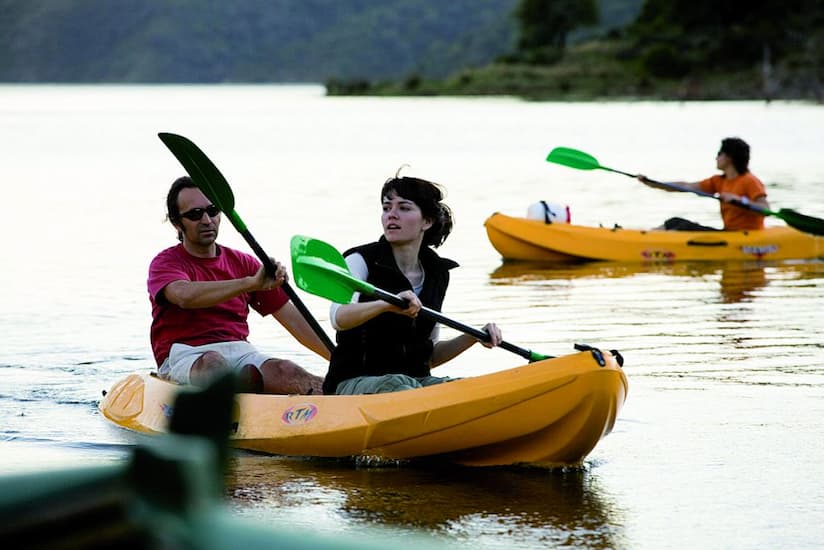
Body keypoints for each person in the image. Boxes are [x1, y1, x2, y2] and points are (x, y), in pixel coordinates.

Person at [323, 173, 503, 395]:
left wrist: (473, 336)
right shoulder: (360, 260)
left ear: (427, 221)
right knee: (398, 385)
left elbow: (431, 356)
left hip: (415, 383)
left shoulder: (437, 273)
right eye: (386, 208)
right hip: (352, 383)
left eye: (404, 208)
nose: (392, 214)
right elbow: (338, 318)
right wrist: (385, 305)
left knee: (468, 389)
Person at [148, 176, 329, 394]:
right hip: (185, 356)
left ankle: (341, 393)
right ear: (177, 223)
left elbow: (295, 321)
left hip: (240, 353)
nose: (207, 220)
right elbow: (185, 296)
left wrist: (340, 360)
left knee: (286, 370)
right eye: (195, 214)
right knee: (214, 364)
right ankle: (238, 392)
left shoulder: (244, 263)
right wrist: (249, 284)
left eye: (213, 211)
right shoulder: (165, 263)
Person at [638, 137, 770, 231]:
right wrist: (652, 183)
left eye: (719, 154)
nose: (716, 158)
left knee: (683, 228)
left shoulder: (750, 181)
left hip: (747, 236)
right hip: (728, 233)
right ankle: (644, 239)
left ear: (729, 157)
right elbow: (686, 186)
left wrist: (739, 200)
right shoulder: (718, 181)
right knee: (674, 222)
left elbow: (765, 209)